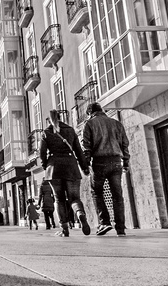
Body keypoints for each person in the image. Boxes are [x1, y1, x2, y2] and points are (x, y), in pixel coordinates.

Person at [40, 110, 91, 238]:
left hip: (54, 169)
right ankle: (80, 214)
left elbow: (42, 153)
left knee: (59, 199)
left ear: (49, 120)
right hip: (71, 167)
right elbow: (78, 150)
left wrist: (46, 165)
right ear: (61, 118)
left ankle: (64, 229)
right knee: (74, 198)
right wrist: (84, 167)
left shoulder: (46, 133)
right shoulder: (70, 130)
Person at [82, 102, 130, 237]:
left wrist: (86, 165)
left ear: (90, 113)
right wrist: (126, 162)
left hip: (100, 162)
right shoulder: (116, 124)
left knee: (97, 192)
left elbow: (87, 147)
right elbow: (125, 144)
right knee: (117, 195)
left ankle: (105, 222)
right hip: (116, 162)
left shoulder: (90, 124)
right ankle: (120, 228)